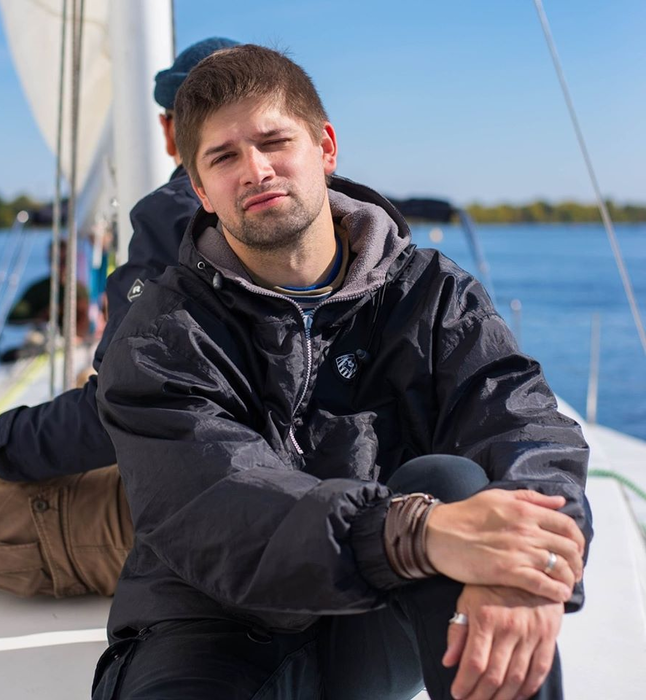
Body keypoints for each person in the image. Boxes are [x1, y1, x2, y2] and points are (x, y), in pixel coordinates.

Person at [92, 45, 592, 700]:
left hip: (374, 615)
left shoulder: (430, 295)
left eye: (274, 142)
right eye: (224, 157)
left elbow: (523, 425)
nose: (256, 170)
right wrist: (409, 534)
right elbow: (220, 501)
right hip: (213, 621)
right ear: (200, 190)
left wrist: (533, 564)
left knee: (453, 486)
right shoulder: (162, 335)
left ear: (325, 147)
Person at [0, 37, 238, 598]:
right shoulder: (347, 220)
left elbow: (117, 411)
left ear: (169, 129)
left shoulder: (178, 213)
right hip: (306, 508)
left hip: (210, 534)